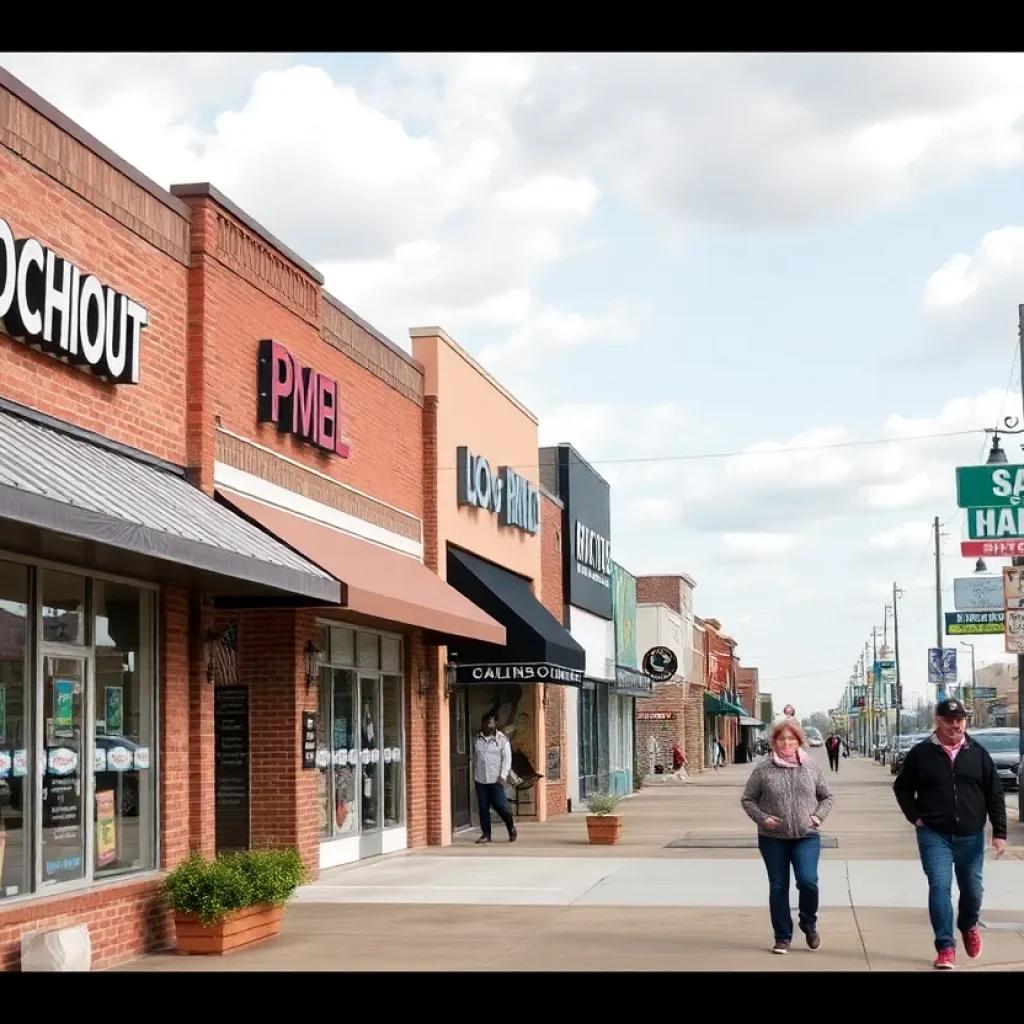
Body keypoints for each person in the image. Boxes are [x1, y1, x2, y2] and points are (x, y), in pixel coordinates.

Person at [892, 698, 1007, 969]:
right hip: (934, 835)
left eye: (960, 720)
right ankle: (945, 947)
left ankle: (968, 925)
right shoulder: (921, 753)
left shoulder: (978, 753)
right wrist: (916, 817)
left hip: (970, 836)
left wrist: (999, 832)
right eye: (949, 720)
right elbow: (902, 788)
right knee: (940, 888)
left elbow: (994, 794)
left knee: (973, 890)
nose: (955, 725)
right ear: (938, 721)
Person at [741, 718, 834, 955]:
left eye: (791, 738)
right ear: (774, 742)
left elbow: (826, 797)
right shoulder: (763, 768)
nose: (786, 743)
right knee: (778, 886)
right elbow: (748, 799)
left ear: (798, 740)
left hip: (806, 836)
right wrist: (763, 818)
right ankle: (782, 936)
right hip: (773, 838)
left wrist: (816, 818)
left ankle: (808, 921)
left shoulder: (811, 766)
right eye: (782, 739)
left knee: (808, 881)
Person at [473, 712, 518, 845]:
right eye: (486, 722)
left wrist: (503, 775)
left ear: (495, 724)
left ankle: (511, 827)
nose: (488, 725)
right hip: (481, 779)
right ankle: (486, 834)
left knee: (500, 806)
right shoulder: (477, 739)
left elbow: (507, 759)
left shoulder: (502, 739)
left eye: (491, 722)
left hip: (496, 779)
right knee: (483, 807)